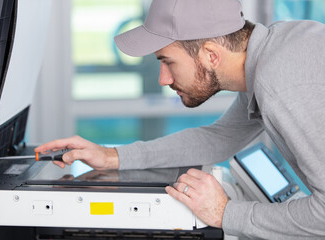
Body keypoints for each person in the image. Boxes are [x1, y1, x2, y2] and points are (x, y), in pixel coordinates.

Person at [35, 0, 325, 238]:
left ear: (211, 55)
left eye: (167, 62)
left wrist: (226, 213)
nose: (163, 79)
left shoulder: (281, 84)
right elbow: (218, 139)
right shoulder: (274, 51)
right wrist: (111, 156)